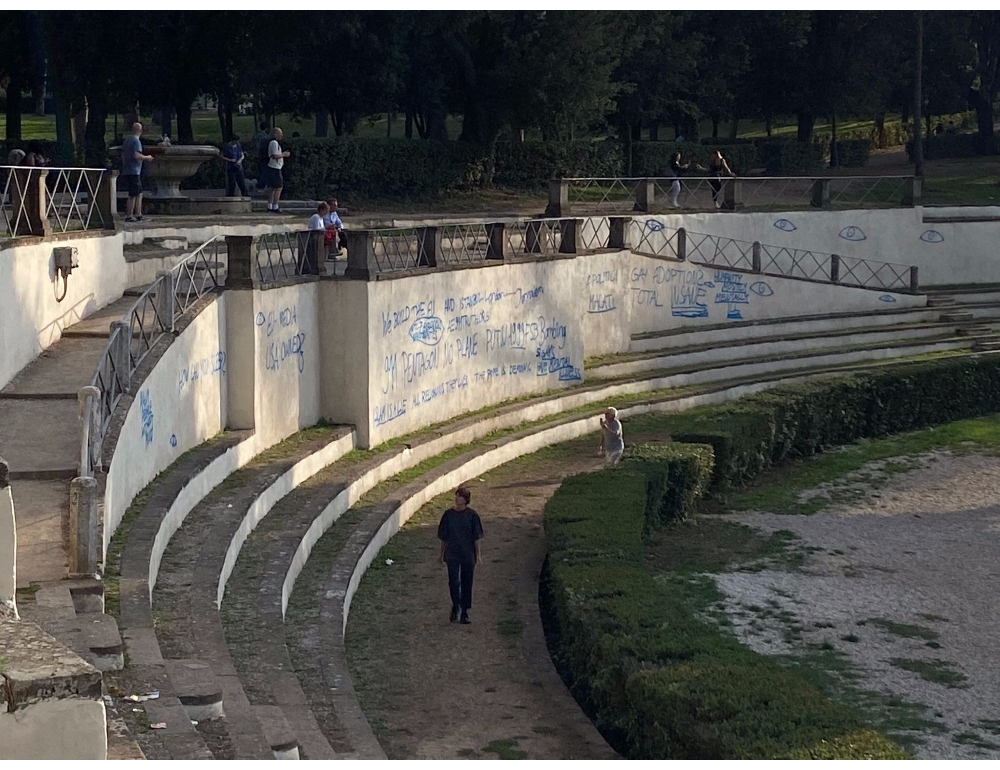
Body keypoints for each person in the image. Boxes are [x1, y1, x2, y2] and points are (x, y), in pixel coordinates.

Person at [437, 486, 483, 625]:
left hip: (467, 553)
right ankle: (456, 604)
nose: (457, 498)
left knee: (467, 582)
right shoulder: (448, 515)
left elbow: (476, 537)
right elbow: (444, 537)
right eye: (456, 495)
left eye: (460, 496)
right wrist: (441, 554)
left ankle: (464, 611)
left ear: (465, 499)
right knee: (454, 582)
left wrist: (478, 554)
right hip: (452, 553)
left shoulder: (472, 515)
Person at [122, 122, 154, 223]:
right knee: (133, 194)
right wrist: (147, 157)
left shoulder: (127, 140)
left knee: (139, 193)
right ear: (140, 131)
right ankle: (129, 215)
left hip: (128, 169)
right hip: (134, 171)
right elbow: (136, 155)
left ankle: (139, 214)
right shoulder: (136, 142)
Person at [266, 127, 290, 213]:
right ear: (275, 134)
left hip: (274, 167)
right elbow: (275, 155)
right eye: (279, 133)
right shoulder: (274, 143)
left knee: (274, 187)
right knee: (279, 187)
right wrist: (284, 154)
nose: (281, 135)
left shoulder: (274, 143)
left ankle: (271, 205)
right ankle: (275, 205)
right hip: (275, 167)